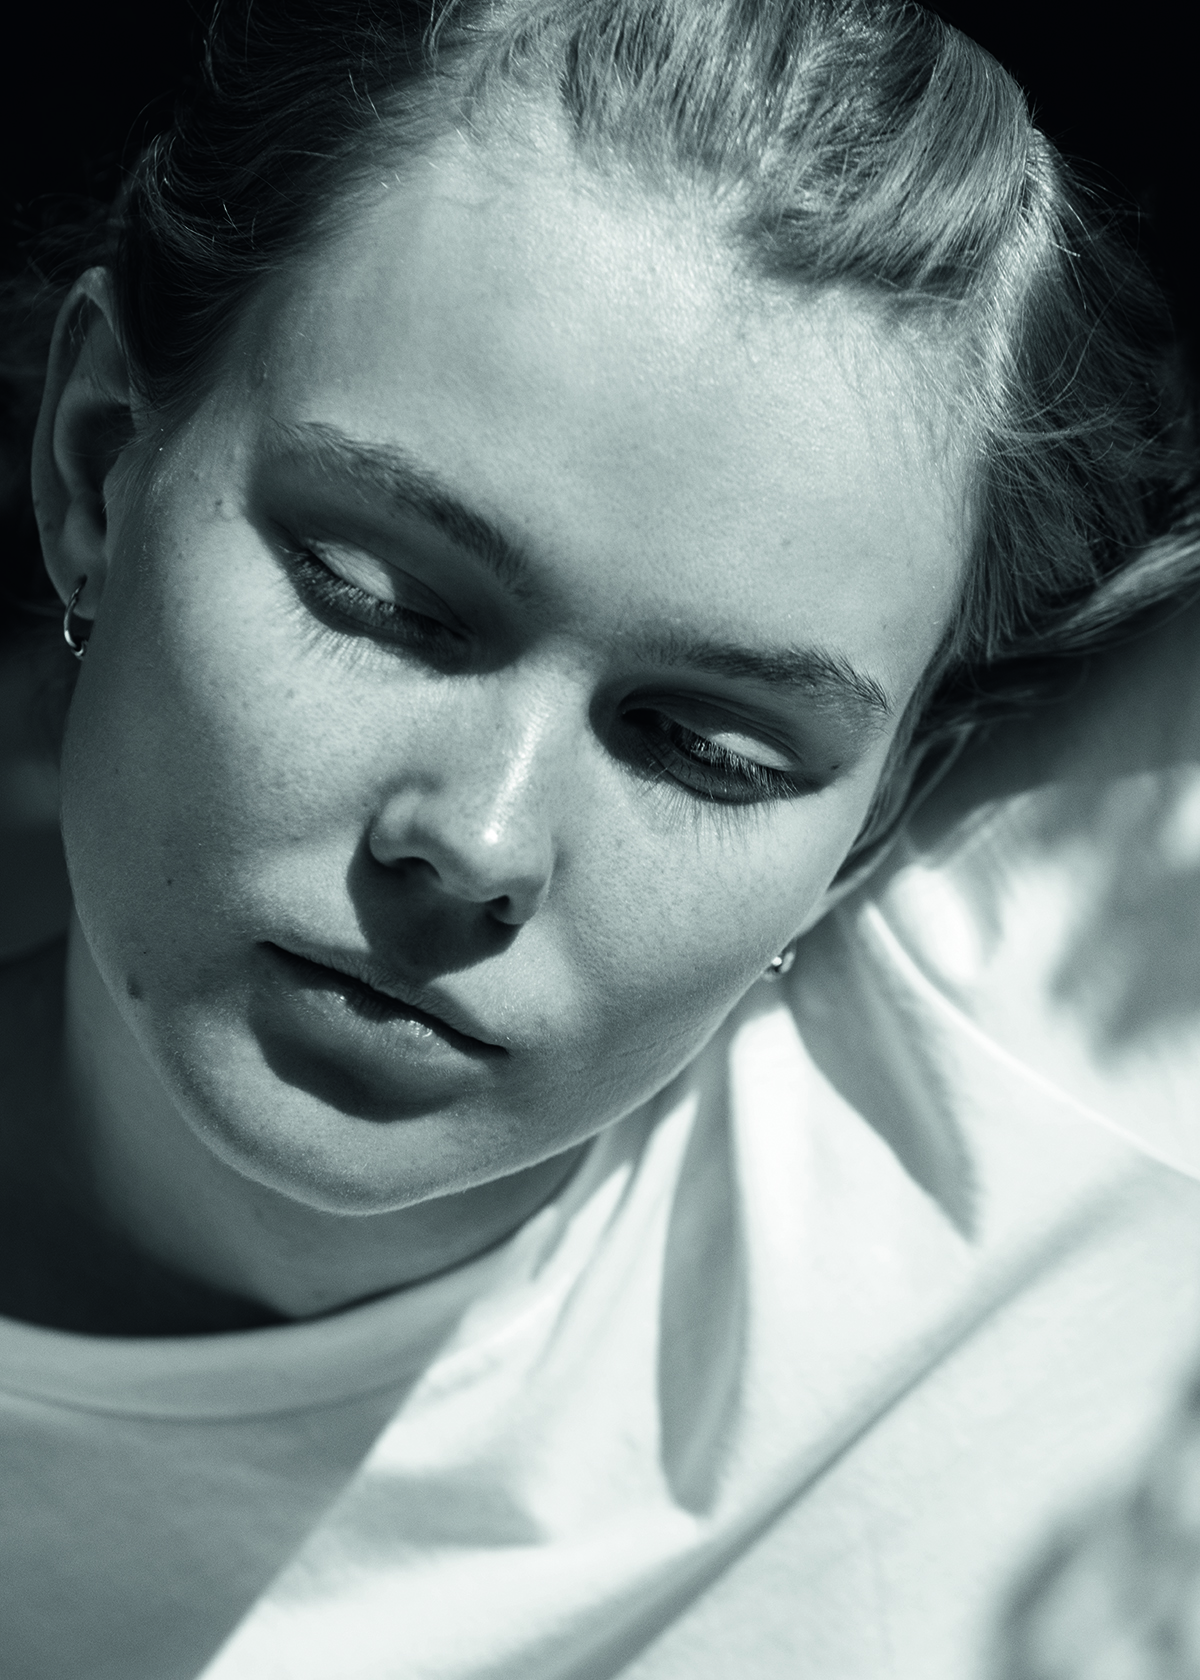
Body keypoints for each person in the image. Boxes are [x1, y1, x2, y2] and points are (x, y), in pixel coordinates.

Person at [1, 0, 1197, 1675]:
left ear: (887, 813)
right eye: (384, 602)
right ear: (99, 469)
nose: (479, 839)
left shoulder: (1068, 1081)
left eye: (710, 749)